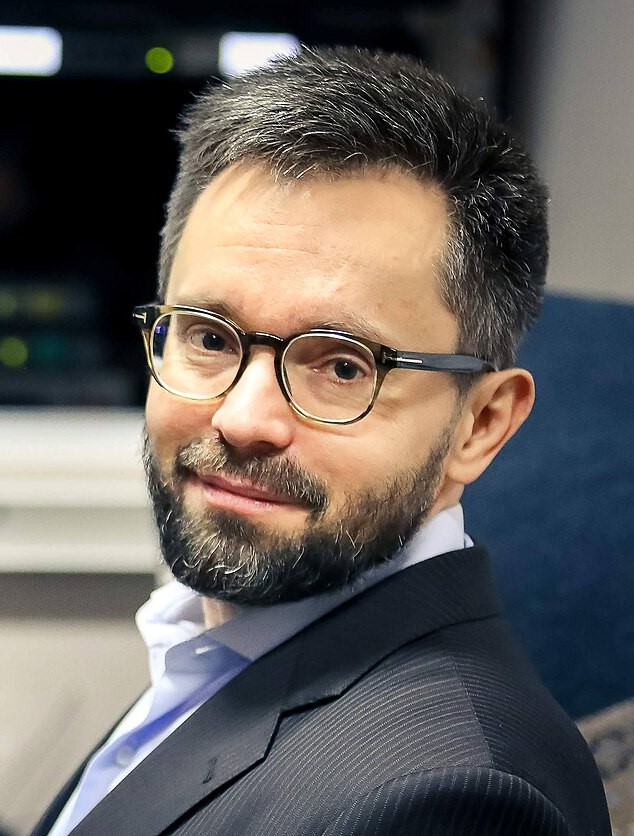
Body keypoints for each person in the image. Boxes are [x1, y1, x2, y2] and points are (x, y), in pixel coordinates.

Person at [33, 46, 611, 835]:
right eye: (209, 337)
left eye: (342, 365)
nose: (243, 419)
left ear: (480, 425)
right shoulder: (221, 645)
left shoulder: (452, 799)